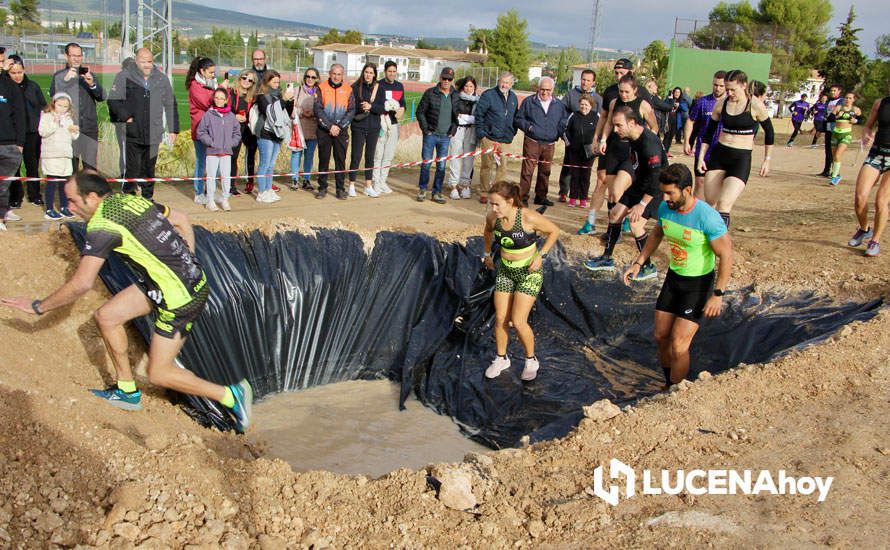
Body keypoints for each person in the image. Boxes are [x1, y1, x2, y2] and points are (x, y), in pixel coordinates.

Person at [0, 171, 254, 432]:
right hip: (174, 283)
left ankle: (230, 395)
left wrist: (38, 306)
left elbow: (82, 283)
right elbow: (181, 219)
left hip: (179, 298)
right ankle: (126, 391)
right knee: (107, 316)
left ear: (92, 197)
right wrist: (188, 258)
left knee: (158, 373)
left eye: (73, 201)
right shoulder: (130, 200)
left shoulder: (102, 226)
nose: (69, 208)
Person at [622, 164, 733, 388]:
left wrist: (718, 294)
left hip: (698, 285)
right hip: (674, 279)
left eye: (670, 193)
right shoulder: (665, 209)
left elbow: (726, 255)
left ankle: (676, 392)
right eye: (663, 192)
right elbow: (656, 233)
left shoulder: (707, 217)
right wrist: (638, 262)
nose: (665, 197)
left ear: (687, 190)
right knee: (661, 336)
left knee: (678, 344)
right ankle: (669, 384)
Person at [482, 180, 560, 382]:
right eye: (491, 204)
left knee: (517, 321)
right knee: (500, 318)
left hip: (528, 273)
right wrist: (487, 253)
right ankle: (501, 358)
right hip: (505, 271)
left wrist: (541, 255)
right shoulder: (494, 217)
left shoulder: (527, 217)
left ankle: (531, 359)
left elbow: (554, 231)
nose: (493, 208)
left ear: (510, 201)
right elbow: (488, 231)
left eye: (497, 204)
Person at [583, 106, 664, 278]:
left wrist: (641, 205)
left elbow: (657, 178)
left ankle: (648, 267)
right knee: (615, 214)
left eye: (619, 125)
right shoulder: (632, 138)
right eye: (614, 125)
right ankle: (606, 258)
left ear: (632, 123)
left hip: (656, 189)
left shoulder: (649, 143)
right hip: (641, 184)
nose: (615, 129)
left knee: (635, 225)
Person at [696, 69, 774, 229]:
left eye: (733, 89)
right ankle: (705, 239)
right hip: (719, 156)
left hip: (740, 159)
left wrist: (767, 160)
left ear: (744, 85)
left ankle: (718, 244)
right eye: (727, 89)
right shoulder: (722, 103)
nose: (729, 93)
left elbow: (770, 132)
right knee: (710, 201)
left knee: (724, 205)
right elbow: (708, 133)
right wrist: (701, 157)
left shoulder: (755, 105)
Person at [589, 74, 659, 238]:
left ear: (635, 90)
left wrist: (644, 144)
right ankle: (613, 227)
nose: (623, 95)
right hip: (614, 150)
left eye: (627, 91)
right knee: (613, 192)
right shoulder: (614, 102)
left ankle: (621, 224)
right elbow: (608, 122)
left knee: (620, 187)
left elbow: (654, 128)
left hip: (632, 152)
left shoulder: (643, 105)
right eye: (621, 91)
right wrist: (603, 139)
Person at [108, 48, 179, 200]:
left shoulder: (161, 78)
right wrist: (126, 117)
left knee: (149, 168)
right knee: (132, 168)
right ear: (136, 61)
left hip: (154, 131)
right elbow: (113, 100)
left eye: (150, 61)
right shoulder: (124, 76)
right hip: (132, 132)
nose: (147, 65)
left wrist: (173, 129)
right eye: (143, 61)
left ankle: (148, 198)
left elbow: (170, 104)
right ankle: (127, 196)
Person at [50, 42, 105, 172]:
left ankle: (88, 192)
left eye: (79, 55)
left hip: (89, 128)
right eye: (73, 55)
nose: (77, 58)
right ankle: (72, 192)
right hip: (69, 128)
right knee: (70, 167)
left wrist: (92, 84)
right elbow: (54, 98)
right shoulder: (59, 76)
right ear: (66, 56)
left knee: (90, 167)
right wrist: (65, 81)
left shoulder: (88, 75)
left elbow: (102, 96)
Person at [514, 76, 569, 206]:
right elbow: (519, 119)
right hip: (532, 141)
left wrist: (559, 133)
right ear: (538, 89)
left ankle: (541, 197)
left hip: (549, 144)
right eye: (542, 89)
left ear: (552, 90)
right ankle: (523, 198)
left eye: (548, 90)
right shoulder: (529, 102)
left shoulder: (559, 105)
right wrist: (529, 127)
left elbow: (563, 121)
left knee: (545, 172)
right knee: (527, 172)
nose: (545, 92)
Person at [849, 95, 890, 257]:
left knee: (881, 201)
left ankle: (875, 240)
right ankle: (864, 229)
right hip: (876, 154)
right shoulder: (880, 103)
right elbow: (868, 126)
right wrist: (866, 134)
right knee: (860, 198)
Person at [5, 56, 46, 208]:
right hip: (13, 134)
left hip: (31, 132)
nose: (17, 76)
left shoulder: (33, 86)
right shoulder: (6, 88)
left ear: (24, 70)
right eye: (13, 73)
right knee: (14, 166)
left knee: (32, 164)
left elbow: (42, 106)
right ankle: (15, 196)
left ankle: (34, 194)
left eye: (19, 72)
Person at [557, 69, 603, 202]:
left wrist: (598, 141)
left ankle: (582, 194)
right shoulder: (571, 95)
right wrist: (565, 135)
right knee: (568, 167)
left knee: (585, 171)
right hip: (573, 139)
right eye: (583, 79)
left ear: (593, 82)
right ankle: (564, 192)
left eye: (588, 80)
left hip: (589, 143)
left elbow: (601, 120)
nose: (585, 82)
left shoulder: (598, 99)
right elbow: (561, 112)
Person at [475, 72, 519, 203]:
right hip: (489, 137)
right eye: (502, 81)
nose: (504, 85)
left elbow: (514, 116)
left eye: (507, 82)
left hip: (505, 139)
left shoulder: (513, 97)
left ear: (511, 84)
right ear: (498, 81)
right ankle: (484, 192)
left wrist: (512, 132)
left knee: (502, 167)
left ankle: (497, 193)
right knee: (486, 166)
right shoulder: (488, 95)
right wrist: (482, 135)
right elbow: (479, 115)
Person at [416, 67, 457, 203]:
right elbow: (420, 112)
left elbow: (457, 115)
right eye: (444, 78)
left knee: (441, 166)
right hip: (431, 135)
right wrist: (426, 129)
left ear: (452, 80)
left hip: (445, 137)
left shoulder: (455, 95)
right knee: (426, 163)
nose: (446, 81)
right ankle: (422, 189)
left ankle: (437, 192)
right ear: (440, 78)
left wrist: (453, 130)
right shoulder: (430, 93)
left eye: (449, 79)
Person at [314, 63, 355, 200]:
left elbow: (351, 111)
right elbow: (318, 109)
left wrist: (339, 126)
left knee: (340, 160)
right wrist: (329, 126)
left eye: (339, 74)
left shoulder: (348, 89)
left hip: (341, 131)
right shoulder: (321, 88)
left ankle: (340, 189)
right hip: (324, 130)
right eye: (334, 74)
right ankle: (322, 188)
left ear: (342, 75)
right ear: (330, 74)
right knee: (323, 160)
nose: (336, 77)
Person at [196, 88, 241, 212]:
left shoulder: (231, 116)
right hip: (212, 151)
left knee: (226, 176)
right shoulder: (208, 115)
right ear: (213, 99)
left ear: (226, 100)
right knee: (211, 176)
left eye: (222, 98)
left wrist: (231, 143)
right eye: (217, 98)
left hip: (226, 152)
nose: (219, 100)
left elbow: (237, 133)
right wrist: (210, 142)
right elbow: (201, 131)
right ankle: (210, 200)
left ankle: (225, 199)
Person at [254, 70, 294, 203]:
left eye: (278, 82)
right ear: (267, 82)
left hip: (277, 133)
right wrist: (283, 100)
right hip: (265, 133)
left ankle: (268, 189)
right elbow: (271, 112)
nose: (277, 84)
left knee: (271, 164)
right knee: (264, 163)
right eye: (274, 82)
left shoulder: (278, 94)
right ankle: (261, 192)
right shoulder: (262, 96)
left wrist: (290, 100)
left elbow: (285, 112)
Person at [684, 71, 726, 197]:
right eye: (715, 85)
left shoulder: (729, 104)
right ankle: (696, 212)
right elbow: (691, 120)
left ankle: (714, 213)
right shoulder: (702, 102)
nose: (717, 88)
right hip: (703, 149)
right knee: (700, 182)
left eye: (721, 86)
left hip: (721, 150)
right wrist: (687, 141)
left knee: (716, 184)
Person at [38, 93, 79, 220]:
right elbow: (42, 132)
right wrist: (55, 123)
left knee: (64, 182)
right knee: (51, 182)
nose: (62, 108)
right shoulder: (46, 116)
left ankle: (64, 207)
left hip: (65, 155)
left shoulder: (68, 118)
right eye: (59, 105)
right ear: (54, 103)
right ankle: (49, 209)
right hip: (51, 155)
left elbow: (74, 137)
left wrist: (74, 131)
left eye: (65, 106)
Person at [186, 57, 220, 204]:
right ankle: (199, 192)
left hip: (214, 130)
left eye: (214, 72)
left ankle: (210, 191)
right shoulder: (195, 86)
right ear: (202, 71)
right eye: (211, 72)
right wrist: (219, 93)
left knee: (214, 162)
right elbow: (208, 102)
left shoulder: (212, 84)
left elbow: (221, 102)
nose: (213, 75)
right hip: (200, 130)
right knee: (202, 162)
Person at [349, 62, 384, 198]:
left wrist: (371, 107)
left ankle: (368, 185)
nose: (368, 75)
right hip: (358, 126)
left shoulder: (379, 89)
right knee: (356, 156)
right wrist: (361, 107)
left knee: (370, 157)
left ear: (374, 74)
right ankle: (351, 184)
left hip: (374, 127)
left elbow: (382, 108)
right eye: (366, 72)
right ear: (363, 72)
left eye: (371, 72)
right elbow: (351, 107)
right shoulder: (355, 87)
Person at [372, 60, 406, 195]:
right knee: (378, 154)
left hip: (394, 125)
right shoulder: (379, 85)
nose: (392, 74)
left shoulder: (399, 86)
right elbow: (373, 104)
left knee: (388, 155)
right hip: (381, 123)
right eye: (389, 71)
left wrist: (401, 110)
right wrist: (384, 109)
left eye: (394, 71)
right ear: (385, 72)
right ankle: (375, 182)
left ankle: (382, 181)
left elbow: (402, 104)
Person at [0, 64, 26, 230]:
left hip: (9, 144)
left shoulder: (9, 86)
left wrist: (20, 143)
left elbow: (20, 115)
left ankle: (2, 216)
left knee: (3, 186)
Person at [562, 94, 598, 207]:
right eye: (582, 104)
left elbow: (600, 133)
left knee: (585, 176)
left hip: (589, 152)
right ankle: (572, 198)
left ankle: (583, 198)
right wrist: (569, 144)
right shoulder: (574, 115)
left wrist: (596, 147)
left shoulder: (596, 116)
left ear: (591, 106)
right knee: (575, 175)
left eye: (586, 105)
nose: (584, 107)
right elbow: (565, 131)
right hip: (575, 151)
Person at [448, 75, 479, 200]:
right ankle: (454, 185)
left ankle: (465, 185)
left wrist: (467, 118)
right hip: (458, 130)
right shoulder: (456, 97)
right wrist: (464, 118)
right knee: (455, 157)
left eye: (471, 86)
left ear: (475, 87)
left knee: (468, 159)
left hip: (471, 131)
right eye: (466, 86)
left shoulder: (478, 100)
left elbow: (478, 117)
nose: (468, 88)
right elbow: (455, 114)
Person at [226, 68, 257, 196]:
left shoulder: (252, 97)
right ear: (239, 78)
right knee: (230, 157)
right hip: (232, 129)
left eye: (250, 80)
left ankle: (247, 182)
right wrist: (235, 116)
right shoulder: (231, 92)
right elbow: (222, 109)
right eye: (244, 78)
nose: (246, 81)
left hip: (245, 129)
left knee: (245, 156)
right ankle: (229, 186)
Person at [289, 67, 320, 192]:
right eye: (308, 76)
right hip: (299, 129)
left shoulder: (319, 92)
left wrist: (313, 113)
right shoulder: (297, 90)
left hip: (313, 129)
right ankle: (295, 180)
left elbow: (322, 109)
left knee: (309, 156)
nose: (310, 79)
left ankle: (306, 179)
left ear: (317, 79)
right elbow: (290, 108)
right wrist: (302, 112)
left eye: (313, 77)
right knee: (296, 154)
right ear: (304, 77)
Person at [828, 92, 861, 186]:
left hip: (846, 134)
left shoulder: (856, 109)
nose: (847, 100)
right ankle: (837, 175)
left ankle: (834, 177)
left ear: (853, 100)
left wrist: (856, 121)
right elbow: (830, 118)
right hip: (835, 133)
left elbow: (862, 119)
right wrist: (837, 116)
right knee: (834, 157)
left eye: (850, 98)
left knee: (838, 155)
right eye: (846, 98)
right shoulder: (838, 108)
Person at [820, 85, 843, 177]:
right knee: (828, 150)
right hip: (828, 127)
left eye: (834, 90)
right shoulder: (829, 102)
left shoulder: (841, 101)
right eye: (831, 90)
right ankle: (826, 170)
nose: (832, 92)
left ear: (839, 91)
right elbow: (826, 115)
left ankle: (835, 171)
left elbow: (837, 114)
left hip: (836, 128)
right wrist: (822, 129)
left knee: (834, 151)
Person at [663, 87, 689, 152]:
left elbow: (685, 109)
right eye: (676, 92)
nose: (677, 93)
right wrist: (670, 100)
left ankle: (667, 151)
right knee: (667, 136)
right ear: (673, 93)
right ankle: (663, 151)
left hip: (676, 121)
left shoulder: (682, 100)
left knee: (671, 136)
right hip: (668, 120)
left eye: (678, 92)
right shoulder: (668, 99)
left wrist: (679, 105)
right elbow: (663, 105)